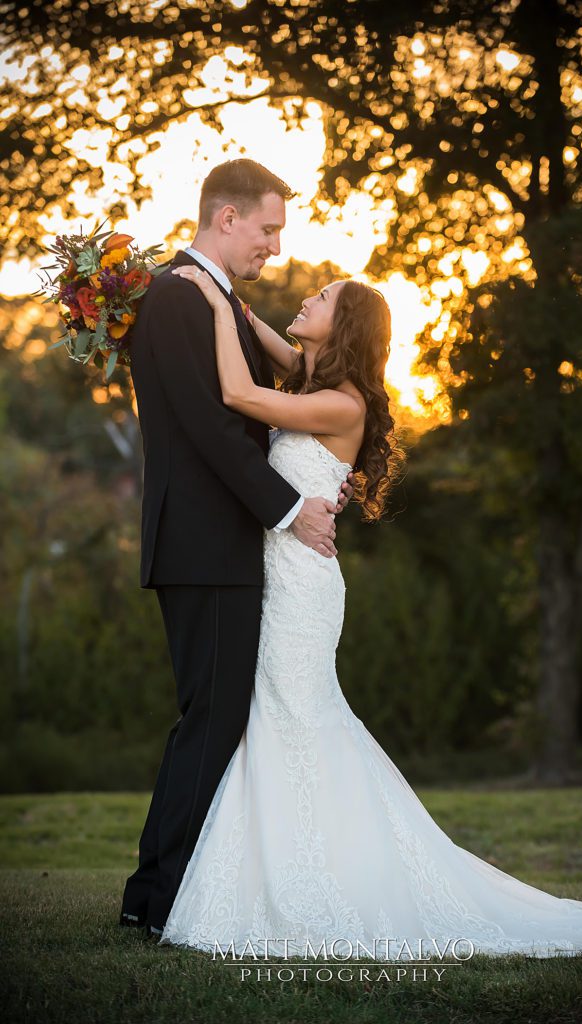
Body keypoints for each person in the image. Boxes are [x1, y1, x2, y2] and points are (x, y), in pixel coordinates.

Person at [154, 262, 582, 959]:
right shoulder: (317, 382)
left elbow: (235, 390)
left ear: (341, 328)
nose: (306, 297)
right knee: (281, 720)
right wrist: (232, 301)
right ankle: (289, 866)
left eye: (322, 298)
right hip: (280, 581)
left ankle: (324, 875)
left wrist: (214, 307)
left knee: (296, 719)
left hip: (301, 596)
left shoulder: (341, 406)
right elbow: (278, 351)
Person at [119, 159, 355, 937]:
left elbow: (290, 401)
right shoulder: (180, 296)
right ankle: (155, 902)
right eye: (268, 229)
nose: (276, 248)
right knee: (211, 722)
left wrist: (325, 470)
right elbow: (211, 428)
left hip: (216, 546)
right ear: (227, 219)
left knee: (214, 719)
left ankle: (159, 894)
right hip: (204, 545)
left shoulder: (211, 296)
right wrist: (294, 509)